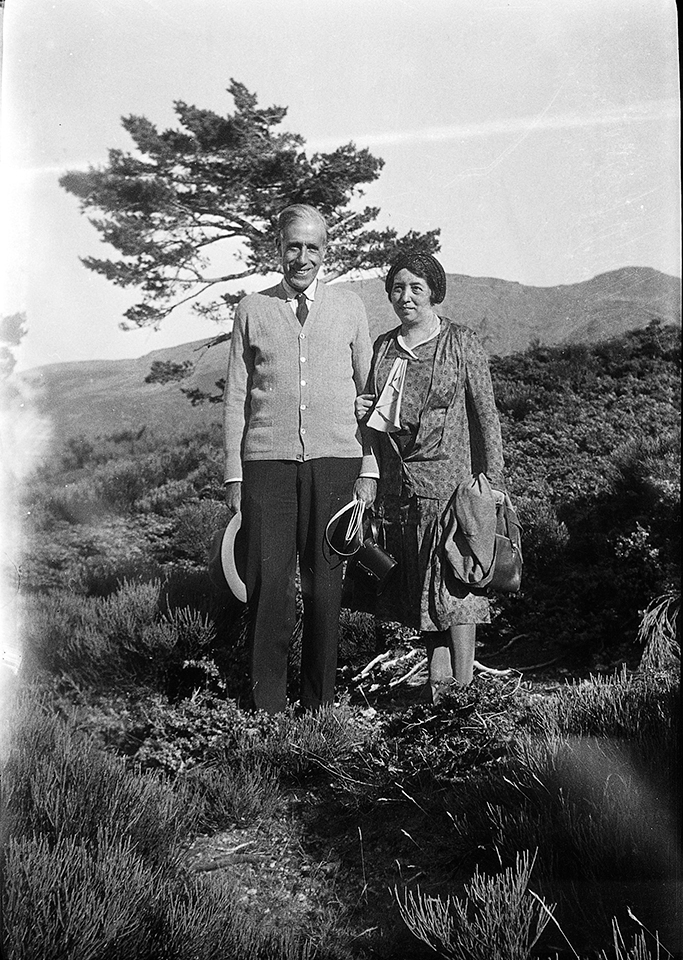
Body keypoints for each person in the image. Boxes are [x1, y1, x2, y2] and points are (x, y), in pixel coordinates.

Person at [222, 204, 377, 714]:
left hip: (336, 461)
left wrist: (369, 470)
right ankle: (266, 707)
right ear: (278, 248)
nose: (302, 257)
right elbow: (236, 399)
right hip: (267, 464)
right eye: (293, 246)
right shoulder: (252, 309)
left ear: (326, 252)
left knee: (326, 584)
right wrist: (234, 475)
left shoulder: (351, 307)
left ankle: (319, 706)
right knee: (269, 584)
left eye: (313, 247)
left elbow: (371, 399)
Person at [354, 251, 506, 703]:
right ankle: (438, 689)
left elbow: (487, 418)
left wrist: (492, 486)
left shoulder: (461, 342)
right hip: (402, 489)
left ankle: (464, 690)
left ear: (434, 292)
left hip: (453, 487)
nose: (406, 297)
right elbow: (376, 414)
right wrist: (363, 411)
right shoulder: (384, 348)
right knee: (421, 587)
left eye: (416, 288)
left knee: (455, 585)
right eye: (398, 288)